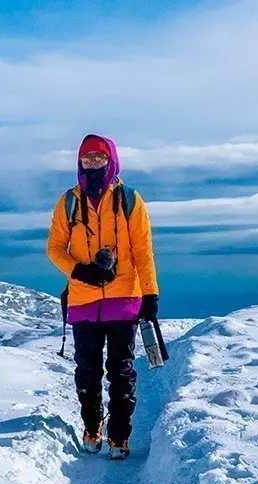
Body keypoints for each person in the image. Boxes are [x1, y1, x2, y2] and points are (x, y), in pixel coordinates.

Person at [46, 134, 160, 459]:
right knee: (87, 370)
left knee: (121, 371)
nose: (93, 163)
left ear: (112, 161)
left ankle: (119, 437)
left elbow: (142, 251)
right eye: (87, 158)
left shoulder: (129, 200)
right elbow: (54, 248)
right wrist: (80, 271)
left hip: (124, 298)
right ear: (79, 162)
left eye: (99, 158)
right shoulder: (69, 202)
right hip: (83, 300)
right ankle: (92, 427)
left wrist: (150, 294)